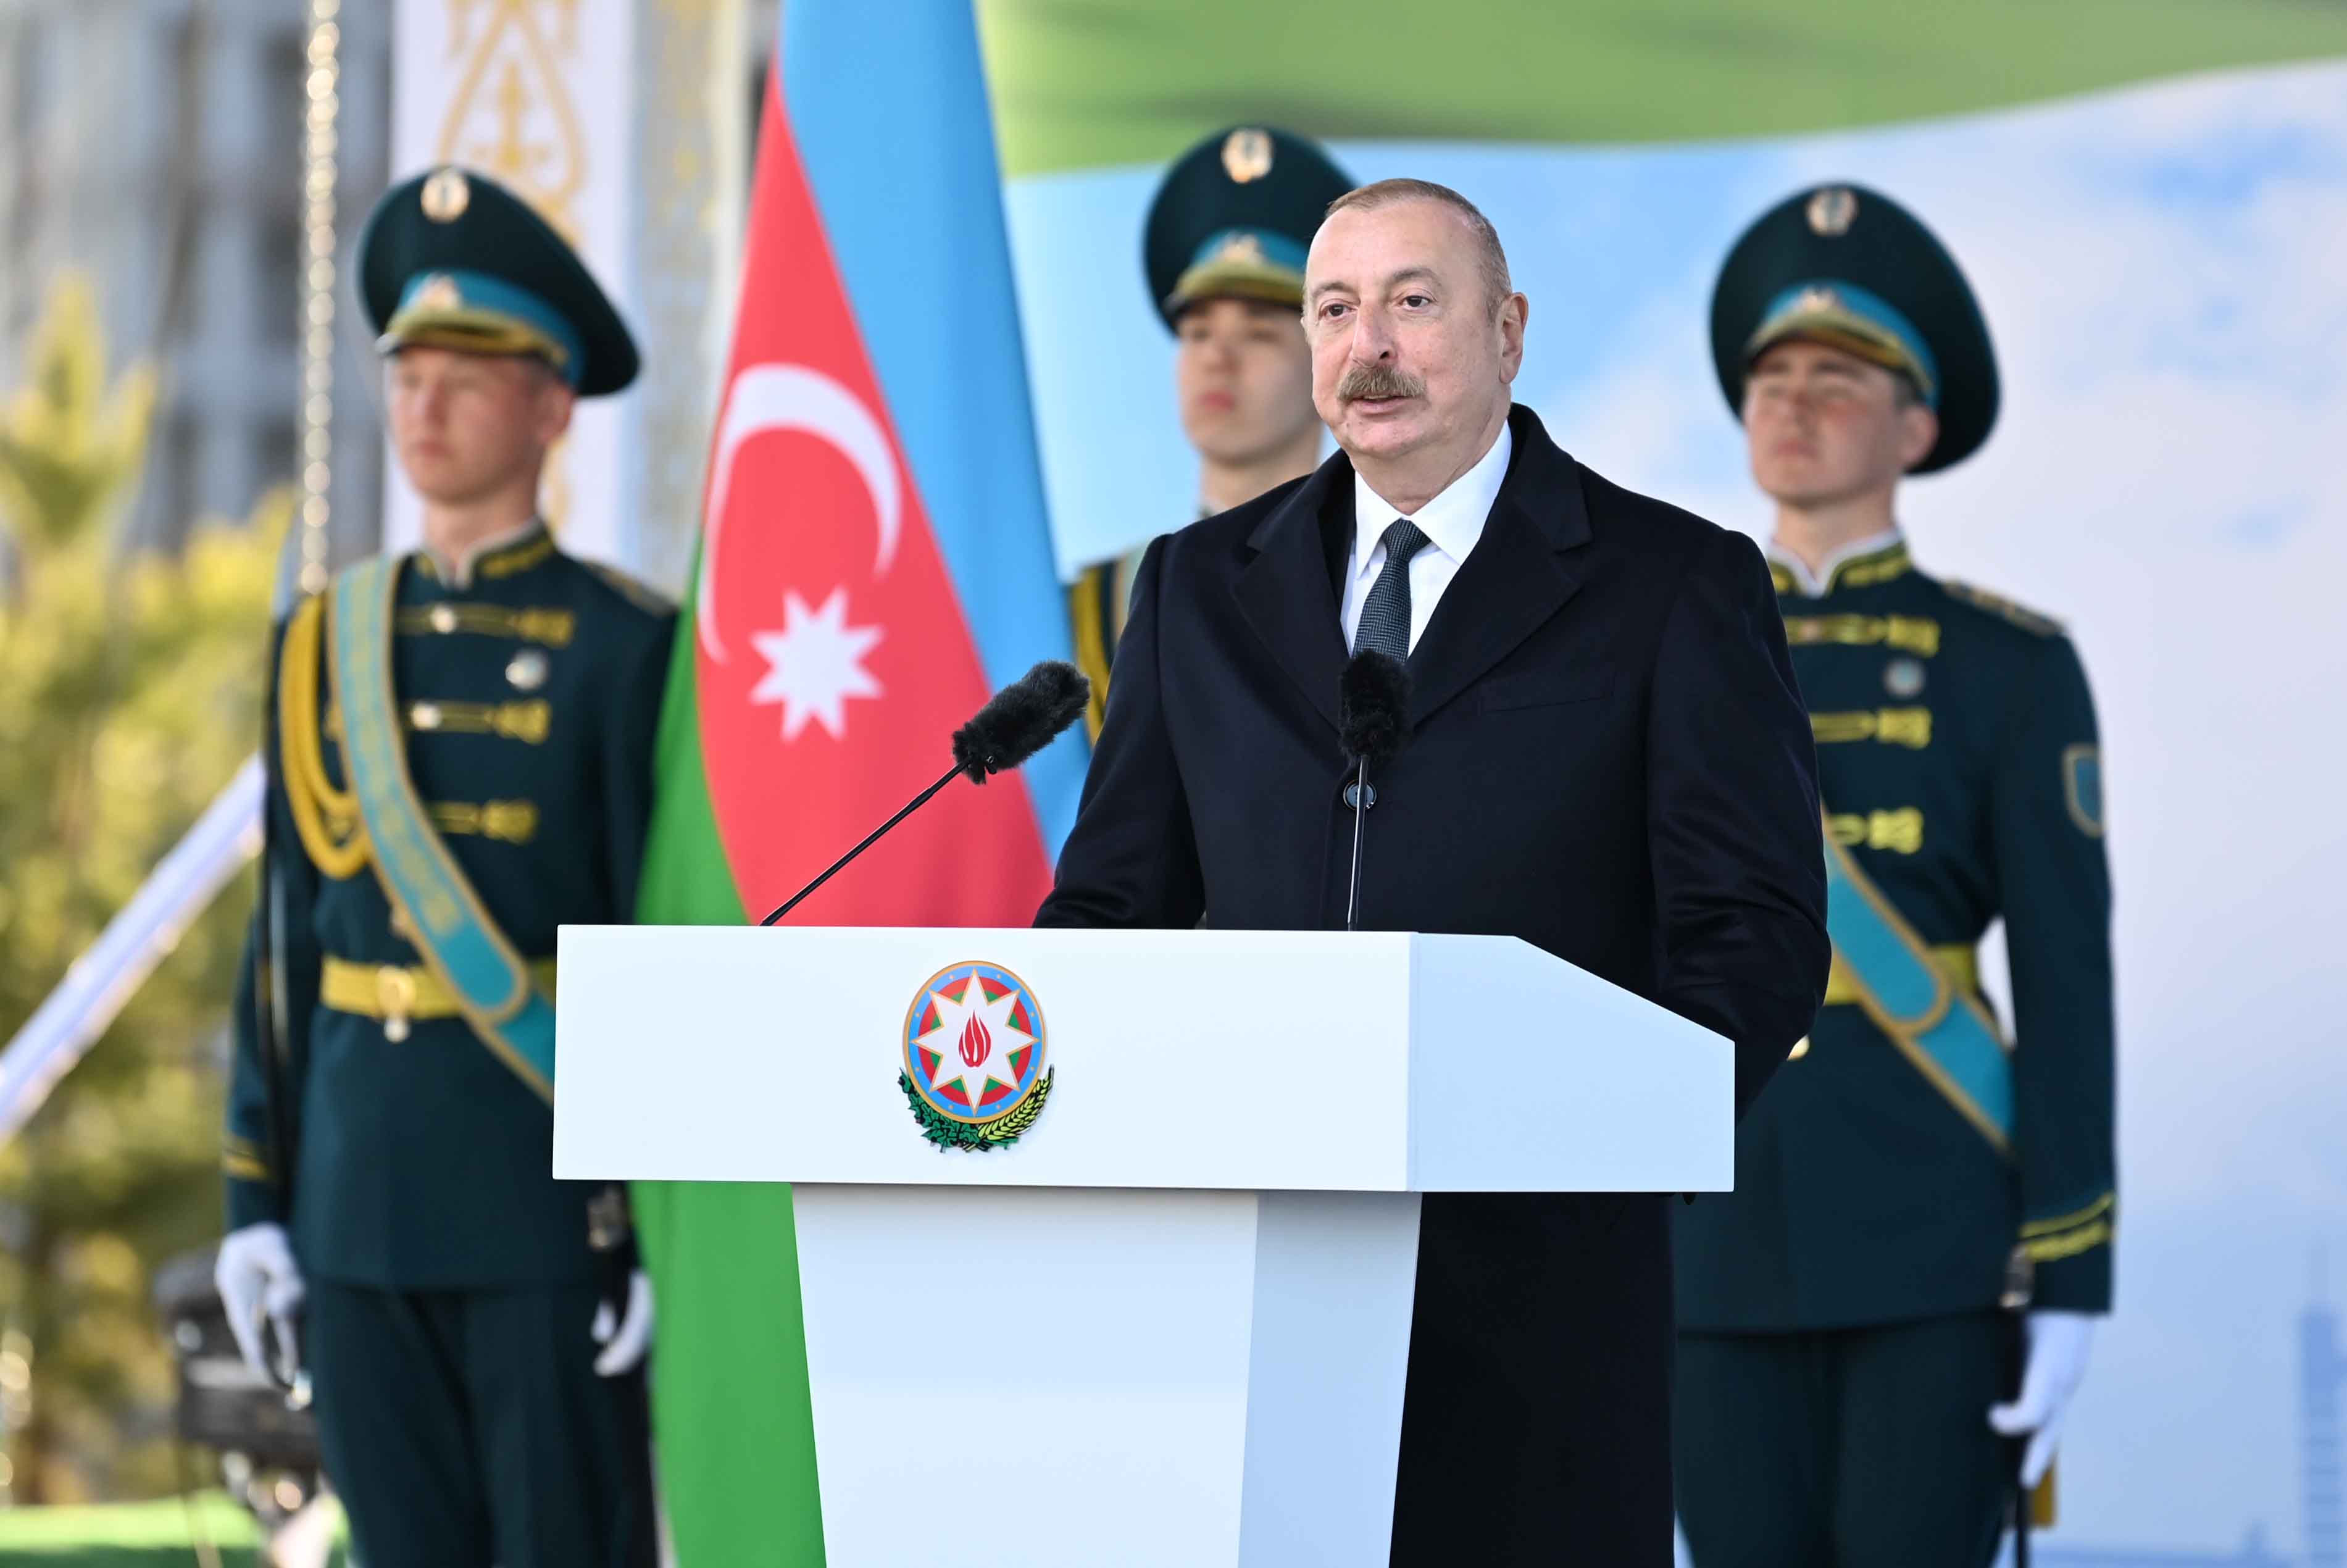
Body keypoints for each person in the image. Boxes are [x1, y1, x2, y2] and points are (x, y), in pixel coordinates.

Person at [1036, 177, 1830, 1563]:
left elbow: (1750, 934)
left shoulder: (1669, 583)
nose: (1370, 347)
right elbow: (1111, 910)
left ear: (1507, 330)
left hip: (1543, 1304)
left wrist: (1604, 1142)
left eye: (1412, 302)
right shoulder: (1197, 590)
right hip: (1242, 1284)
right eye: (1334, 310)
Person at [211, 165, 672, 1568]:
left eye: (466, 379)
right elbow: (284, 937)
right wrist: (256, 1201)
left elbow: (647, 941)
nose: (424, 408)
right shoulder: (323, 639)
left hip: (540, 1205)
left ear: (551, 407)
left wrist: (642, 1222)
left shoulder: (626, 643)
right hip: (356, 1200)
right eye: (408, 375)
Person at [1672, 182, 2115, 1567]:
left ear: (1914, 429)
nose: (1792, 406)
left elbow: (2065, 981)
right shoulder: (1656, 643)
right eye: (1771, 380)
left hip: (1932, 1234)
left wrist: (2070, 1268)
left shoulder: (2007, 666)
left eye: (1837, 381)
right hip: (1707, 1223)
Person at [1067, 125, 1350, 737]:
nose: (1217, 357)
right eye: (1197, 332)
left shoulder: (1388, 593)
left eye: (1260, 333)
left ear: (1332, 363)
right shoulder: (1091, 609)